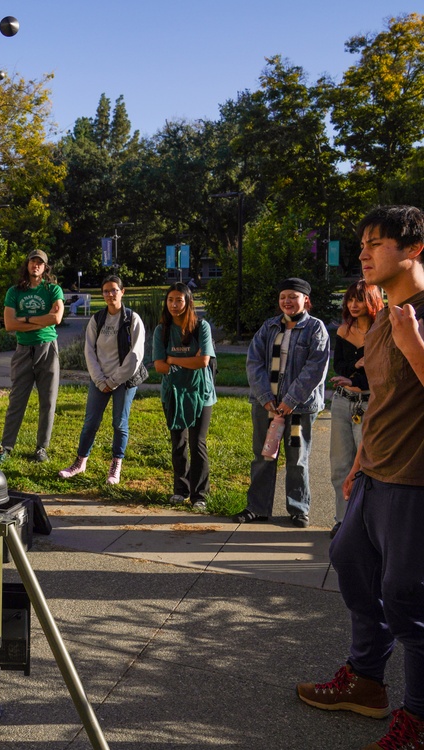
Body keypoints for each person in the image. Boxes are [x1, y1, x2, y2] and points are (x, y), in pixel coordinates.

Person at [296, 205, 424, 749]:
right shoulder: (383, 319)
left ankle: (418, 718)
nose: (364, 253)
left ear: (414, 248)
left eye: (377, 242)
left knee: (407, 600)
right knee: (349, 563)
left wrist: (413, 341)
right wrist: (358, 464)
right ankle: (367, 683)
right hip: (374, 475)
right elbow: (378, 402)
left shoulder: (414, 317)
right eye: (363, 243)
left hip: (415, 483)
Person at [234, 277, 329, 527]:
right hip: (266, 407)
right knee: (263, 455)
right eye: (283, 297)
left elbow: (314, 369)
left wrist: (290, 400)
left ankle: (298, 509)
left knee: (297, 457)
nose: (287, 301)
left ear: (305, 300)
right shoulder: (269, 327)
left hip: (299, 408)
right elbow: (254, 362)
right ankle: (257, 508)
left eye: (293, 296)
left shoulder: (316, 329)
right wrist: (266, 398)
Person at [59, 275, 146, 484]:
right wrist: (100, 380)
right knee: (90, 422)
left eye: (114, 290)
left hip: (124, 380)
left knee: (119, 423)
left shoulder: (132, 319)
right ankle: (80, 462)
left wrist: (114, 381)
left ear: (122, 292)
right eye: (106, 291)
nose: (109, 295)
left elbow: (136, 355)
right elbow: (89, 350)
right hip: (99, 380)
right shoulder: (97, 319)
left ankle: (116, 465)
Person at [152, 282, 216, 510]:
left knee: (198, 442)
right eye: (170, 300)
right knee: (178, 442)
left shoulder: (202, 327)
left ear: (188, 302)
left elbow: (203, 361)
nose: (174, 304)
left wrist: (173, 360)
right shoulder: (162, 330)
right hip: (173, 394)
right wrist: (185, 362)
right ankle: (180, 489)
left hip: (202, 393)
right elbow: (159, 366)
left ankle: (200, 495)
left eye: (179, 300)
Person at [327, 279, 382, 539]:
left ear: (372, 301)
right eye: (350, 299)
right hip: (341, 402)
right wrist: (359, 366)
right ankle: (342, 520)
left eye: (359, 299)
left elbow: (381, 373)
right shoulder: (343, 331)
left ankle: (364, 524)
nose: (353, 305)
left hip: (370, 403)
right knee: (340, 465)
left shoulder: (383, 331)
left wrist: (359, 373)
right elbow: (341, 367)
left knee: (364, 468)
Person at [1, 249, 64, 462]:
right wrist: (39, 318)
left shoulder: (53, 290)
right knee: (17, 399)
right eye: (32, 262)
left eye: (40, 262)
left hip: (47, 347)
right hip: (23, 350)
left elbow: (56, 318)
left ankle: (41, 448)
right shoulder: (14, 292)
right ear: (27, 265)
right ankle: (7, 446)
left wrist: (25, 319)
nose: (35, 265)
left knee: (48, 400)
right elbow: (10, 324)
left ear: (45, 267)